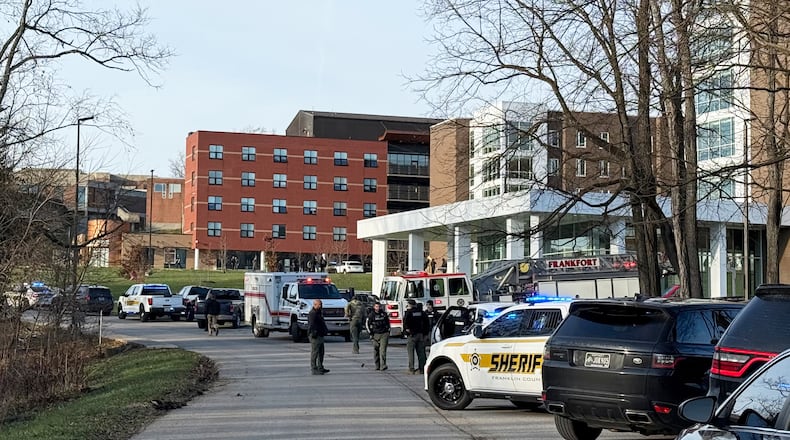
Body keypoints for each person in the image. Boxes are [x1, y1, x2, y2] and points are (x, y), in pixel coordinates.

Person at [403, 300, 430, 374]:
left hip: (412, 335)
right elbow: (427, 323)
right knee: (421, 353)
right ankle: (422, 369)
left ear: (410, 305)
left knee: (411, 353)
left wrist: (406, 331)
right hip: (421, 334)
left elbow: (406, 323)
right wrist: (425, 334)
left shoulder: (409, 313)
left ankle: (411, 369)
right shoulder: (422, 312)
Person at [366, 302, 390, 371]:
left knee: (383, 350)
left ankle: (383, 365)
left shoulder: (384, 314)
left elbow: (388, 323)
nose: (378, 308)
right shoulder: (371, 315)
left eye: (379, 306)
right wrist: (370, 333)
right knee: (376, 350)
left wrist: (388, 331)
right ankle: (377, 365)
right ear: (374, 307)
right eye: (376, 306)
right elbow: (367, 324)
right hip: (375, 334)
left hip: (384, 334)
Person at [308, 299, 329, 375]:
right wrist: (314, 333)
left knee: (321, 352)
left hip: (320, 334)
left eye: (321, 304)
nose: (320, 306)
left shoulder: (319, 312)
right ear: (315, 305)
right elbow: (312, 324)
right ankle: (314, 368)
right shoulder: (312, 313)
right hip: (315, 336)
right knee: (315, 353)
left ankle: (320, 367)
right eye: (319, 304)